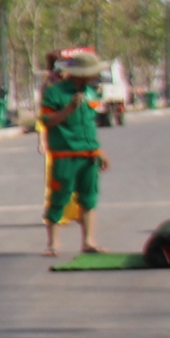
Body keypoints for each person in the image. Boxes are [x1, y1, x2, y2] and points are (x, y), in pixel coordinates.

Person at [38, 52, 107, 257]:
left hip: (89, 153)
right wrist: (69, 108)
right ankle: (53, 244)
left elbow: (89, 126)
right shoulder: (55, 93)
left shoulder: (91, 93)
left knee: (89, 198)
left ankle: (89, 242)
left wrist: (100, 152)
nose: (94, 77)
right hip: (64, 154)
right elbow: (46, 121)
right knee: (59, 196)